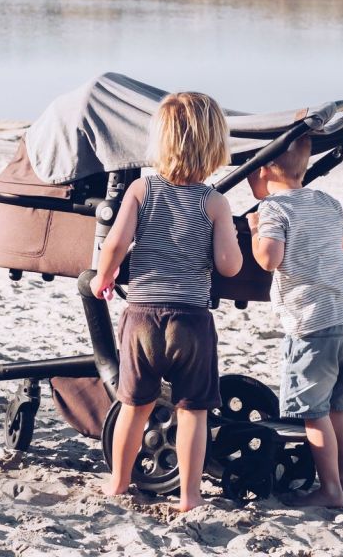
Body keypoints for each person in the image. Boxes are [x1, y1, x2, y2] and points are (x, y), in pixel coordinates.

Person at [90, 91, 243, 512]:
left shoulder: (142, 189)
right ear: (215, 145)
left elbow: (115, 243)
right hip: (191, 319)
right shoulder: (214, 202)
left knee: (134, 405)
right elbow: (229, 266)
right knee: (193, 410)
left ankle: (118, 483)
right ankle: (190, 496)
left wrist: (103, 277)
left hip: (142, 316)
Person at [246, 135, 343, 507]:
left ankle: (330, 489)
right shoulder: (328, 202)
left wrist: (255, 230)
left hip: (312, 327)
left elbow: (268, 259)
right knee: (340, 408)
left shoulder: (273, 209)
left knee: (314, 414)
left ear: (264, 170)